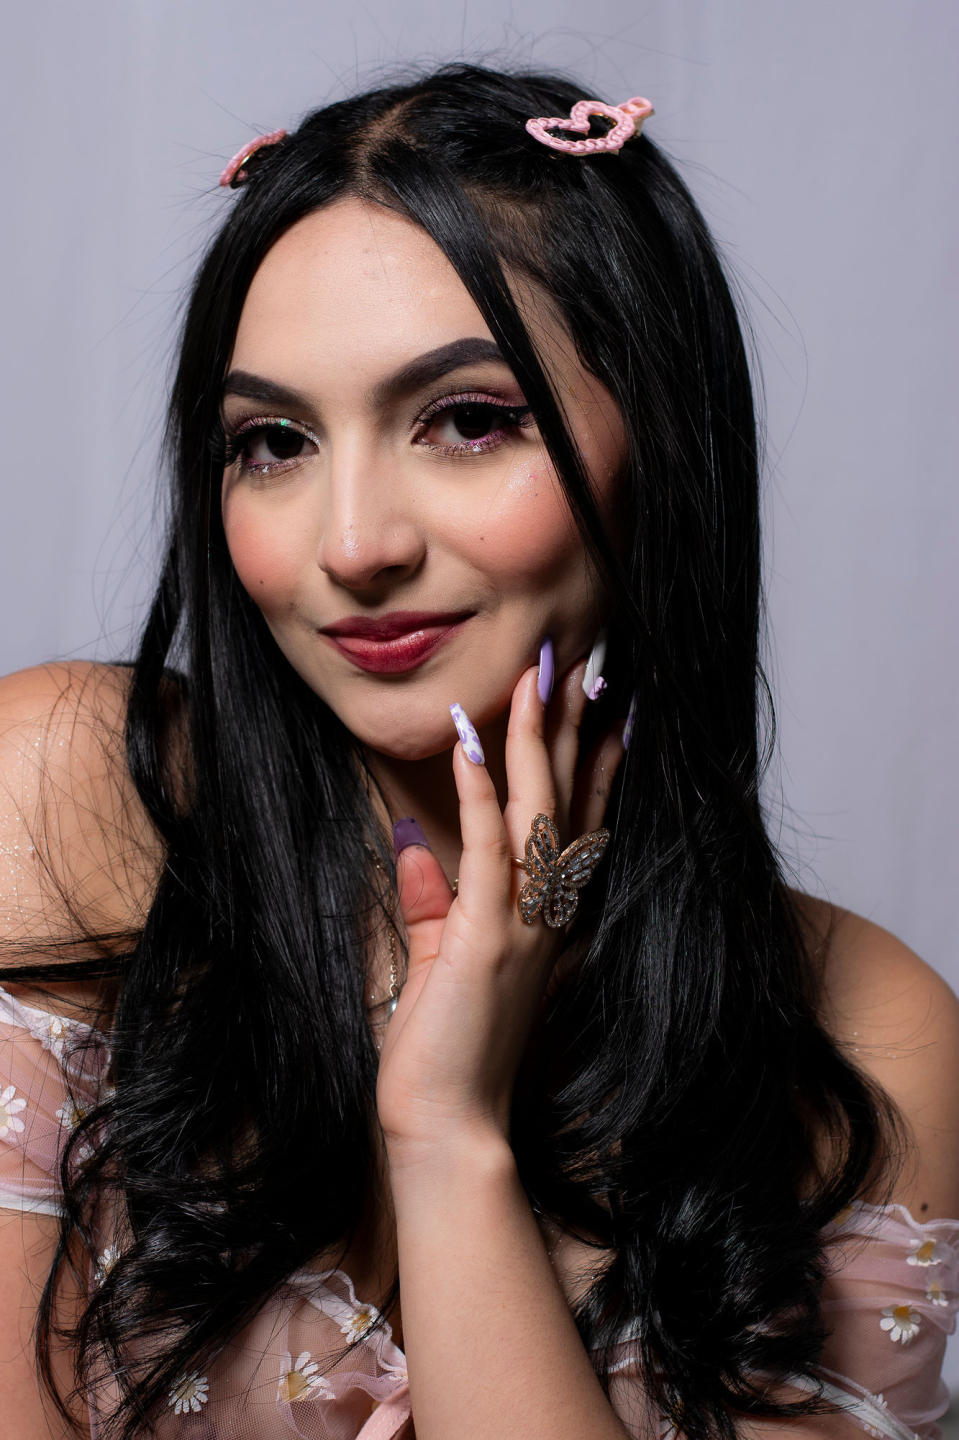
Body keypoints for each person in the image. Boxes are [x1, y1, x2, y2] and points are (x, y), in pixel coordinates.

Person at [0, 61, 956, 1440]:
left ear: (662, 444)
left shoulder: (866, 1030)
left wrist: (449, 1136)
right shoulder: (70, 801)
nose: (353, 544)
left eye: (466, 421)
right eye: (273, 442)